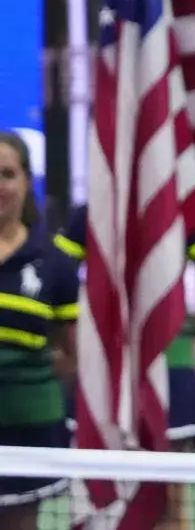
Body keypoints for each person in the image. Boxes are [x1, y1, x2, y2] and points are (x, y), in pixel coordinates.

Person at [55, 205, 195, 530]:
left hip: (172, 378)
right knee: (97, 496)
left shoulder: (184, 208)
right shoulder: (90, 211)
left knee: (169, 502)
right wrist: (87, 337)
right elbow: (57, 275)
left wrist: (177, 328)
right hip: (102, 379)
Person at [0, 133, 80, 530]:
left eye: (7, 174)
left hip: (28, 429)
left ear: (26, 181)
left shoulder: (54, 262)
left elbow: (73, 353)